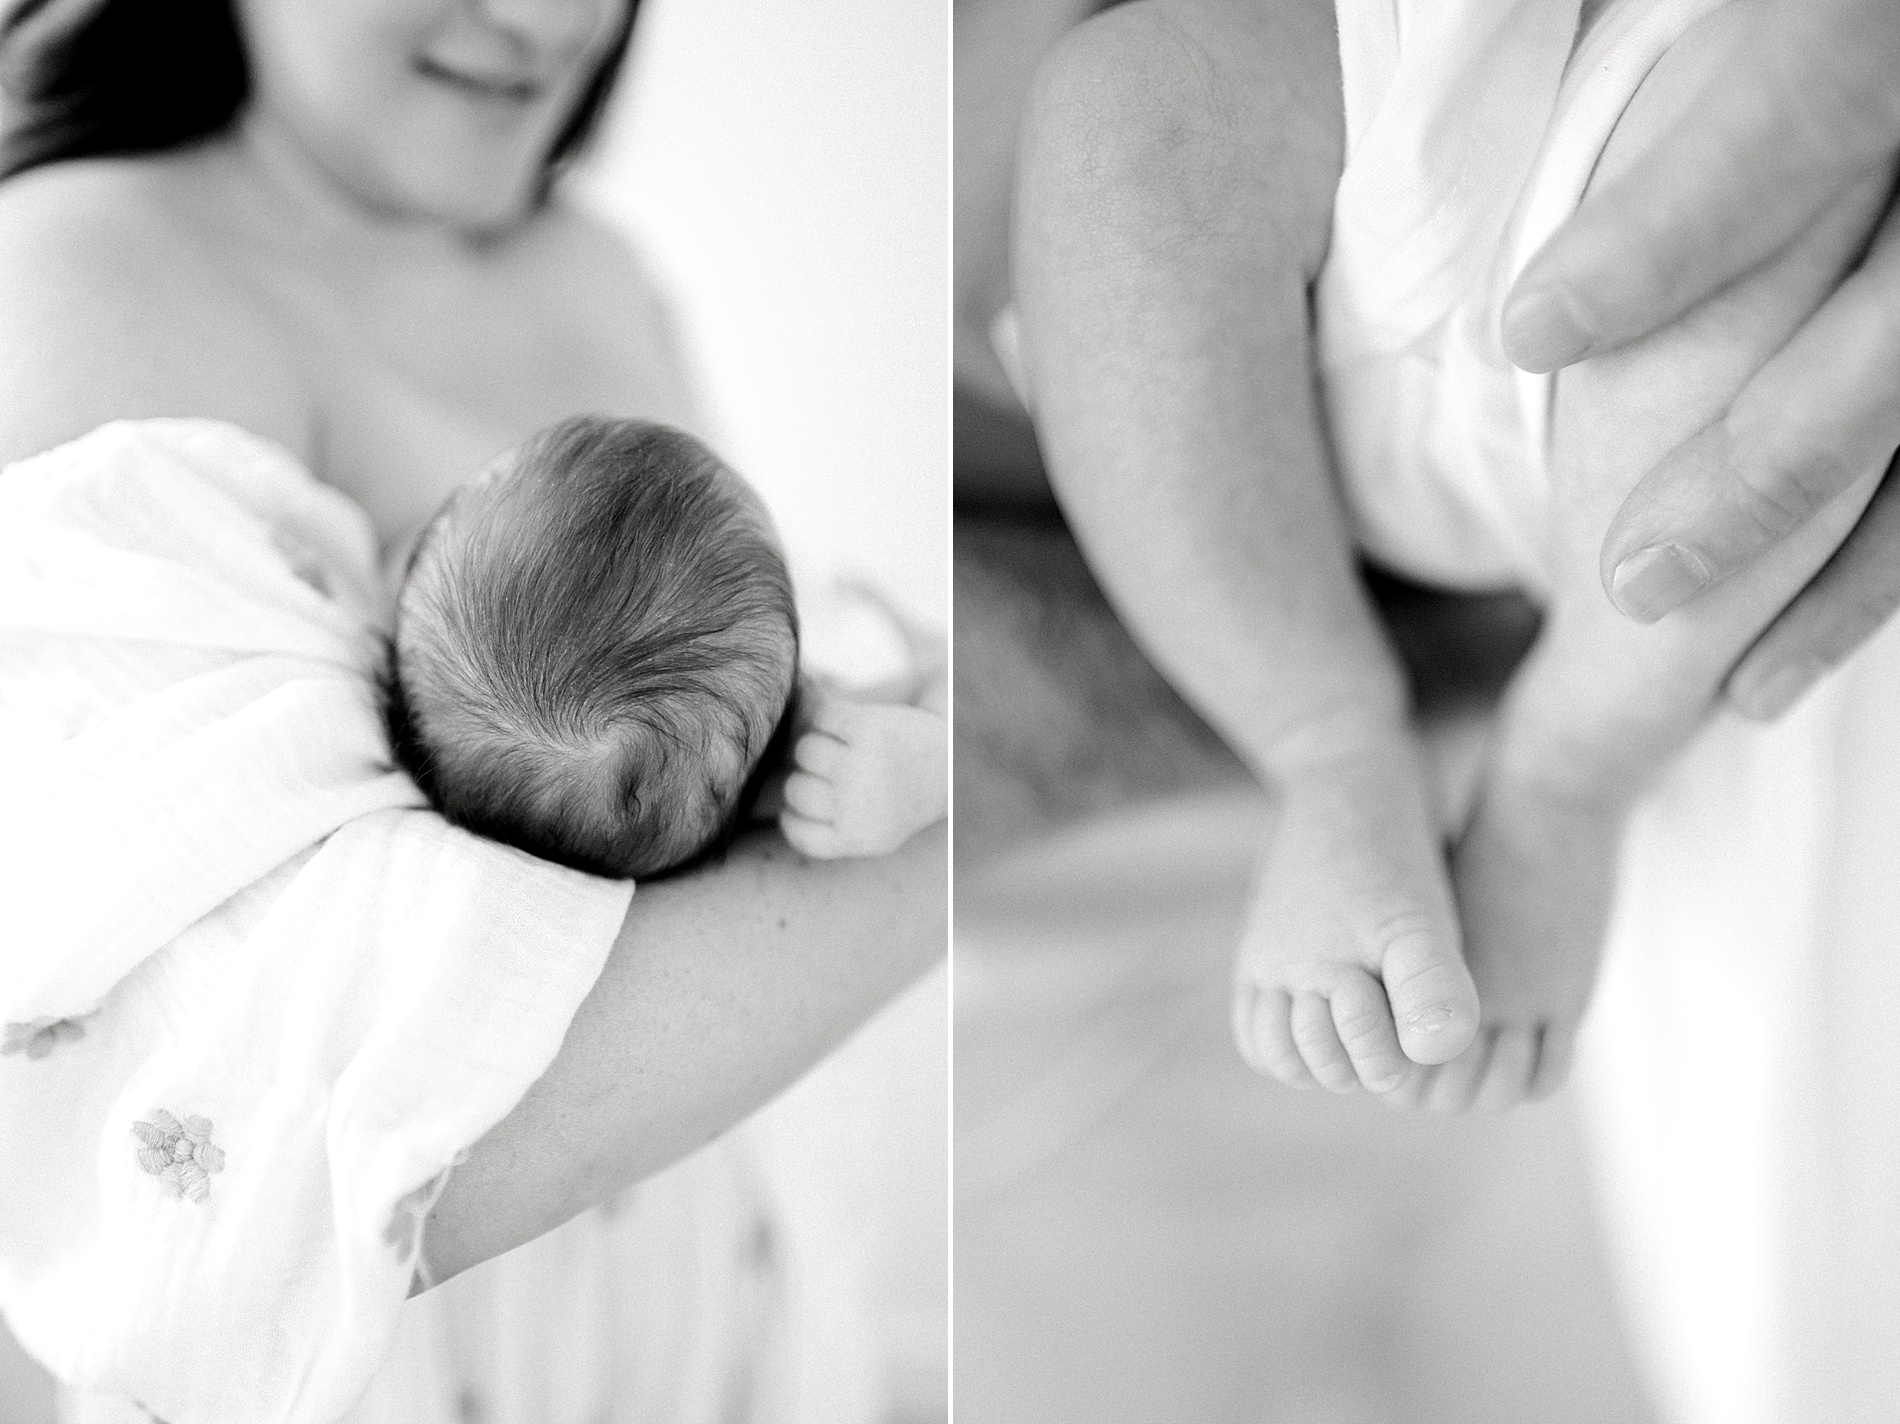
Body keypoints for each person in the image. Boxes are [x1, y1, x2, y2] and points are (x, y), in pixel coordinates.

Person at [0, 0, 944, 1418]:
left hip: (706, 1299)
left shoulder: (599, 266)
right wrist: (956, 822)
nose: (543, 16)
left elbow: (748, 702)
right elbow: (260, 1126)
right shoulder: (87, 270)